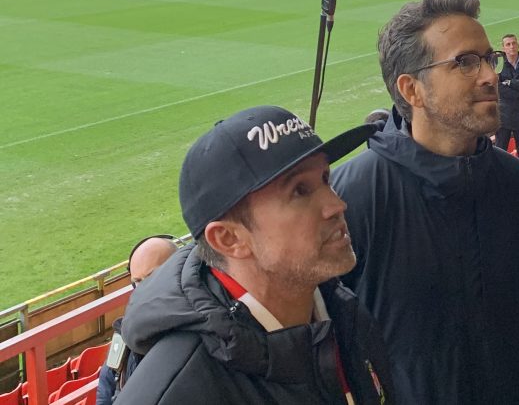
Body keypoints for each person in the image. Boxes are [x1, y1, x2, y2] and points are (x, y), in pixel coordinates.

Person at [332, 0, 519, 404]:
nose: (490, 75)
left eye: (488, 59)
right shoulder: (350, 199)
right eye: (466, 62)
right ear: (411, 89)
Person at [115, 105, 392, 405]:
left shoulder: (343, 311)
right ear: (229, 238)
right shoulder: (176, 392)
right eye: (300, 191)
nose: (337, 205)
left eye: (325, 178)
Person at [97, 236, 179, 405]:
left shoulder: (207, 326)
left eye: (152, 277)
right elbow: (105, 393)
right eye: (138, 282)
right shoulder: (124, 336)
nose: (144, 289)